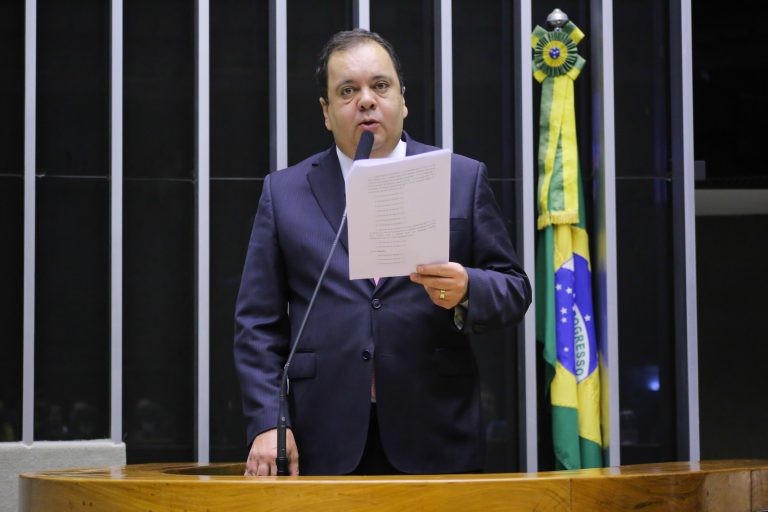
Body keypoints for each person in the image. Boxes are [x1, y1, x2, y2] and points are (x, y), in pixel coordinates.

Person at [234, 28, 531, 477]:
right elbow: (257, 324)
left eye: (380, 85)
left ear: (403, 100)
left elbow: (513, 288)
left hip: (435, 430)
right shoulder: (285, 193)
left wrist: (468, 288)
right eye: (347, 91)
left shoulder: (460, 178)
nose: (366, 101)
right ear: (326, 113)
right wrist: (268, 423)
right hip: (321, 435)